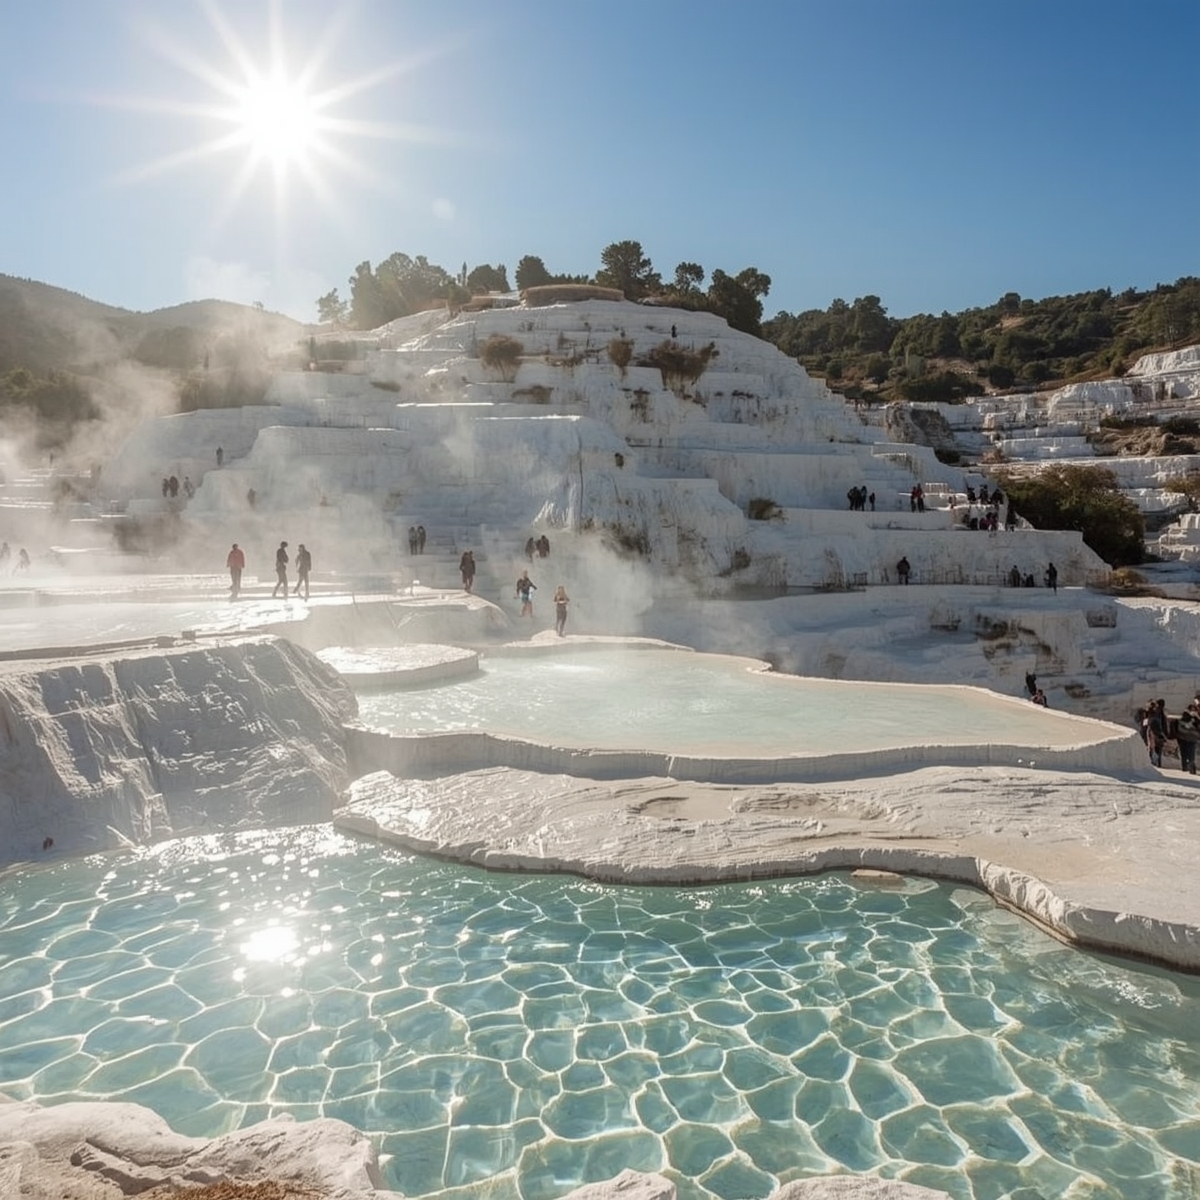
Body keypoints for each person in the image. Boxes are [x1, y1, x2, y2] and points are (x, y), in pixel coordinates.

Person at [1175, 702, 1200, 774]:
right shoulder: (1194, 718)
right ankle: (1191, 768)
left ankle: (1185, 767)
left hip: (1182, 738)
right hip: (1192, 737)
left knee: (1184, 753)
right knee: (1191, 753)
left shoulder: (1182, 717)